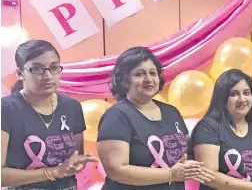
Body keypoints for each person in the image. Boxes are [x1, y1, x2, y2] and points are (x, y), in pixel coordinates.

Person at [97, 46, 214, 189]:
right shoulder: (116, 116)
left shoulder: (171, 112)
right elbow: (116, 170)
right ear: (123, 80)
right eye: (139, 74)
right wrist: (171, 174)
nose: (149, 79)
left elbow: (179, 156)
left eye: (153, 73)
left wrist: (189, 165)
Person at [1, 39, 98, 189]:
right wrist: (53, 172)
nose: (47, 76)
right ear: (20, 74)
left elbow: (76, 156)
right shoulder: (6, 109)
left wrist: (76, 164)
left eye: (54, 67)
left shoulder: (72, 107)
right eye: (37, 69)